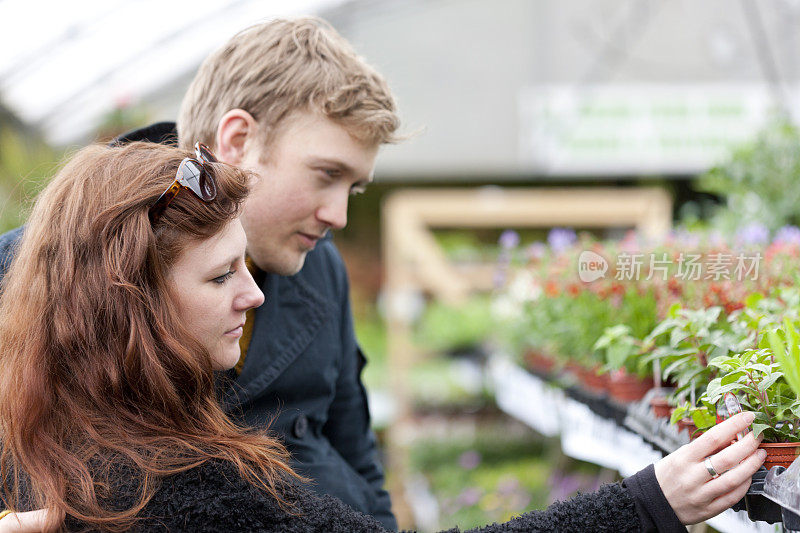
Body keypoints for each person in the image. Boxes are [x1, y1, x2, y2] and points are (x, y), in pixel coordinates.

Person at [0, 142, 768, 532]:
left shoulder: (42, 428)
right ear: (126, 302)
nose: (254, 292)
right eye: (218, 277)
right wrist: (648, 502)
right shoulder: (182, 487)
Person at [0, 16, 400, 530]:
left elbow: (358, 454)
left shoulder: (320, 266)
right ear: (236, 139)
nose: (338, 215)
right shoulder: (31, 271)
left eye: (355, 188)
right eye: (327, 174)